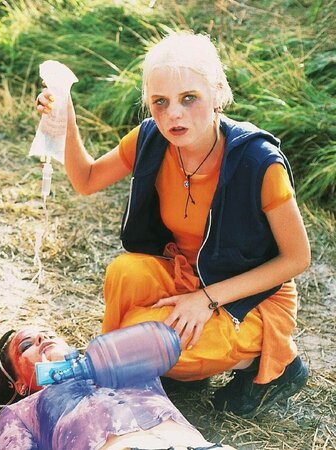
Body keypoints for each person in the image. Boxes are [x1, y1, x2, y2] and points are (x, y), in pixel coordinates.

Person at [36, 32, 311, 418]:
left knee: (148, 337)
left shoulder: (259, 163)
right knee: (125, 274)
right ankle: (144, 364)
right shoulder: (151, 138)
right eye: (160, 102)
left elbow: (297, 259)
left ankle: (269, 365)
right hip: (185, 274)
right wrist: (65, 115)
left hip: (248, 300)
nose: (173, 115)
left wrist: (207, 298)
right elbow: (86, 181)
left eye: (189, 99)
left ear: (217, 93)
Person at [0, 326, 236, 449]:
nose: (42, 338)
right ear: (18, 384)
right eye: (26, 345)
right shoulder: (22, 410)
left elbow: (165, 341)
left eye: (49, 332)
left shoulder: (119, 361)